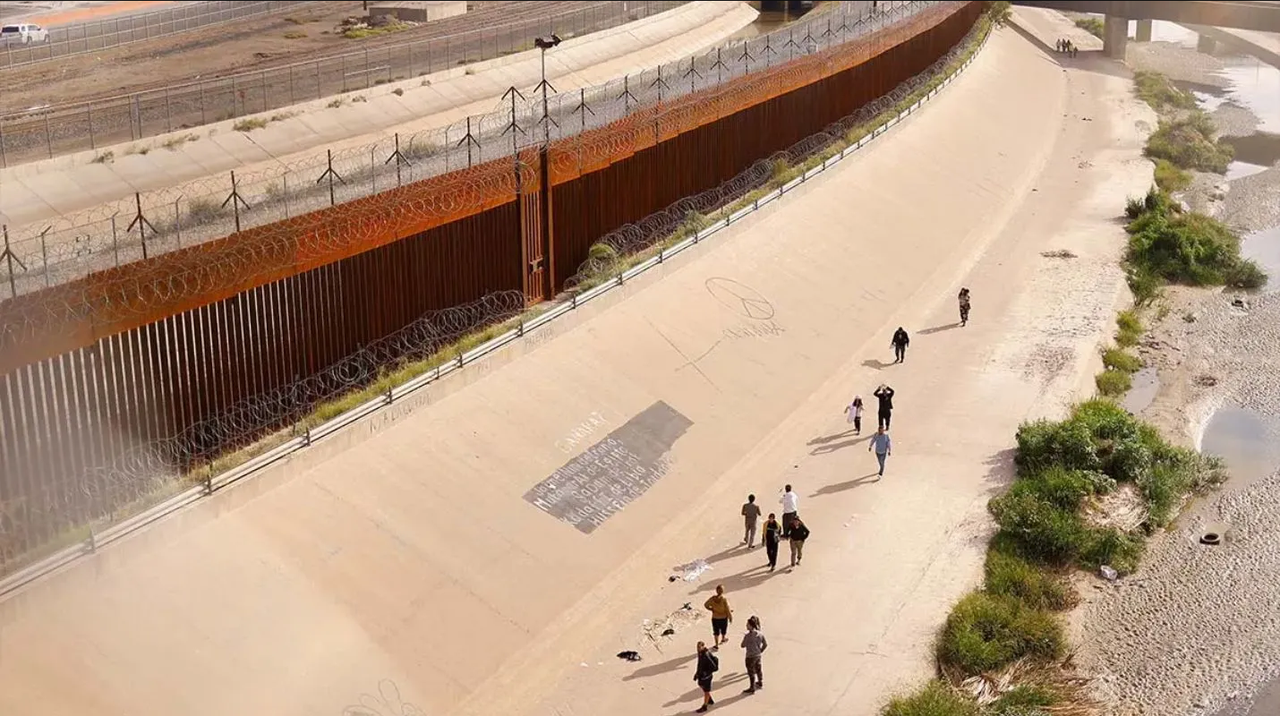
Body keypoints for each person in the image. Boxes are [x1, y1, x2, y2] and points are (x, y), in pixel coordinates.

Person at [740, 615, 768, 693]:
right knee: (758, 669)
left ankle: (752, 687)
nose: (746, 626)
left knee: (751, 672)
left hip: (750, 656)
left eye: (747, 624)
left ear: (751, 626)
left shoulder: (748, 636)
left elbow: (742, 645)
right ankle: (760, 682)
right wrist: (760, 651)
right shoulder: (760, 634)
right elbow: (765, 644)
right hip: (758, 655)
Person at [694, 641, 719, 712]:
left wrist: (706, 673)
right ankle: (709, 699)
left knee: (706, 691)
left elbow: (713, 667)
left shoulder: (706, 655)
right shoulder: (700, 653)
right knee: (700, 684)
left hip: (706, 677)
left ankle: (705, 706)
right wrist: (697, 674)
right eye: (697, 647)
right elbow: (700, 665)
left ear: (703, 646)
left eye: (699, 647)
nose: (698, 648)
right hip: (701, 675)